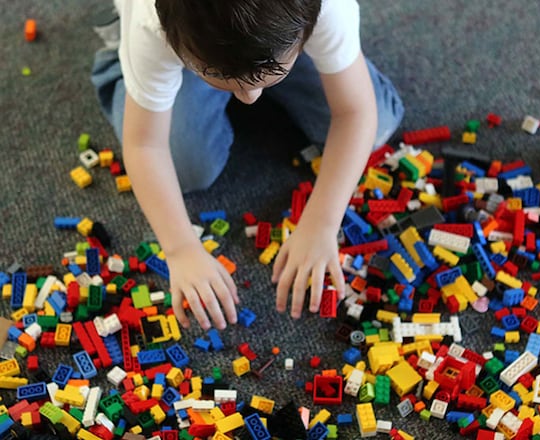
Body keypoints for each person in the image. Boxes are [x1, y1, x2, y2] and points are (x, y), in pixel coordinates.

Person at [90, 0, 404, 331]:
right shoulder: (152, 25)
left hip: (265, 39)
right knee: (186, 167)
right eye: (222, 76)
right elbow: (144, 144)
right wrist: (180, 249)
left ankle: (261, 65)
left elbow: (356, 112)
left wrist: (323, 222)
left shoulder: (327, 6)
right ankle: (122, 60)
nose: (250, 97)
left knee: (377, 124)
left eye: (264, 80)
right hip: (186, 44)